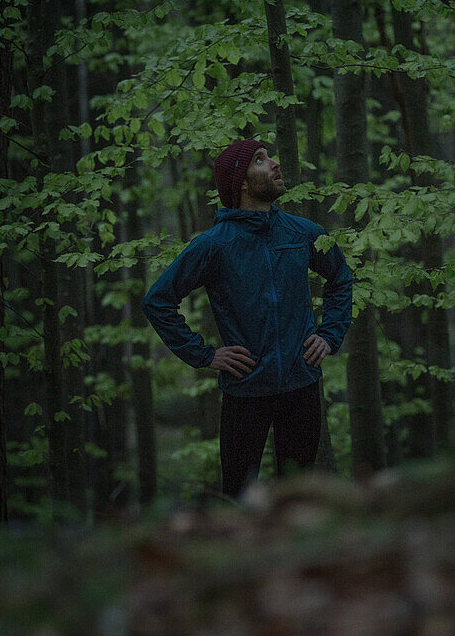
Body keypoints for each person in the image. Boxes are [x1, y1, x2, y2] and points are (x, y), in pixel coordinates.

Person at [142, 139, 353, 498]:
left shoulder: (303, 233)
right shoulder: (214, 244)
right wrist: (206, 355)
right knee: (238, 497)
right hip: (245, 389)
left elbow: (341, 278)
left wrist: (330, 334)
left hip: (301, 384)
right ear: (240, 181)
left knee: (299, 496)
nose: (274, 163)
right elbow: (158, 301)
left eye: (270, 156)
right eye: (260, 160)